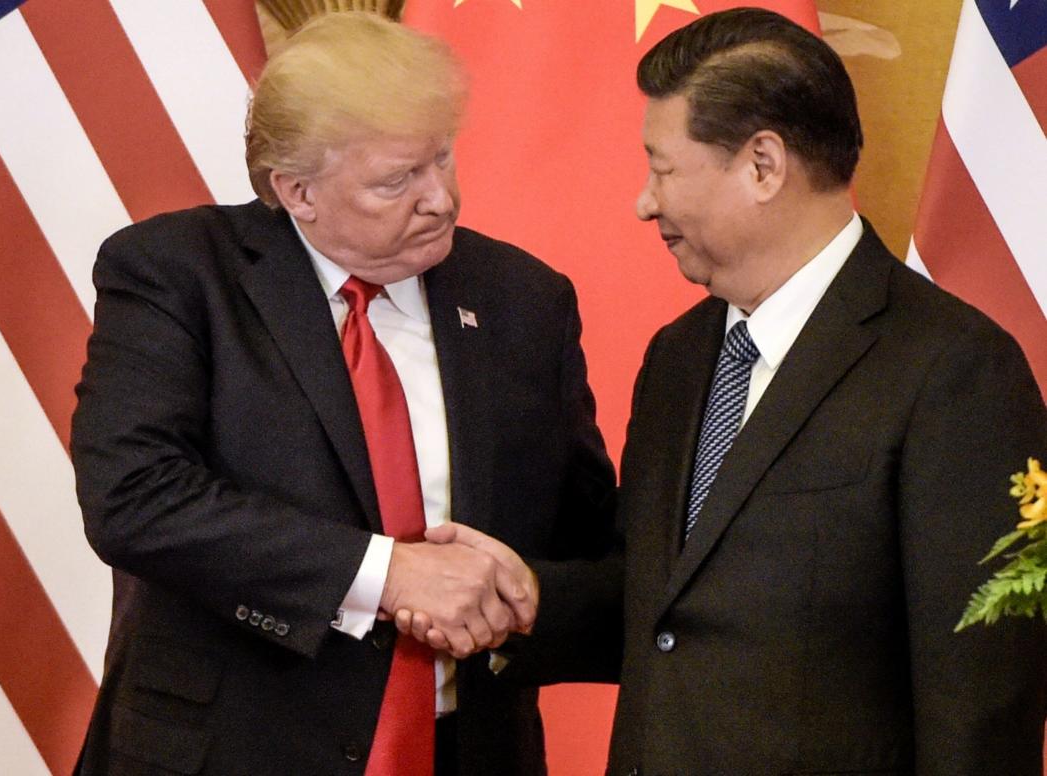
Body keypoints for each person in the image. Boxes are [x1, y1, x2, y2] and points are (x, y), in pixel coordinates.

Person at [425, 7, 1047, 775]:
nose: (643, 202)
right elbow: (662, 600)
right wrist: (527, 597)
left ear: (763, 165)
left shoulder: (955, 370)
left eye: (662, 168)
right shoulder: (680, 356)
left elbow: (981, 702)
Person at [68, 11, 615, 776]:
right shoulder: (180, 274)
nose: (441, 199)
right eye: (398, 180)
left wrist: (522, 595)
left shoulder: (524, 299)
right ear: (297, 191)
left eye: (443, 160)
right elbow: (133, 498)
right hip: (230, 752)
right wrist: (386, 573)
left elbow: (594, 554)